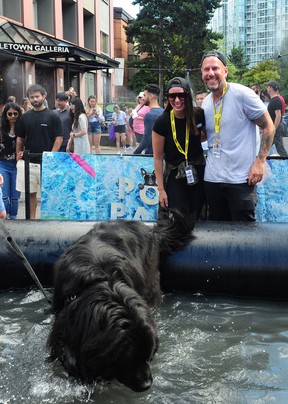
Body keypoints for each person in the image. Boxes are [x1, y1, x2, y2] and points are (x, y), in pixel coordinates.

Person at [201, 50, 275, 221]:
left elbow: (269, 127)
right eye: (206, 70)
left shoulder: (243, 94)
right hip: (212, 180)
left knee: (244, 239)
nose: (211, 73)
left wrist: (260, 162)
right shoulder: (205, 102)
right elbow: (208, 136)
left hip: (241, 181)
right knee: (218, 236)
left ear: (225, 71)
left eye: (215, 68)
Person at [152, 77, 206, 217]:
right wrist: (161, 190)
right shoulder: (162, 121)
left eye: (181, 95)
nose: (177, 100)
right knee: (178, 217)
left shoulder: (199, 115)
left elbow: (207, 135)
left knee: (197, 214)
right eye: (172, 96)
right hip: (174, 175)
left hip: (198, 172)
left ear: (188, 95)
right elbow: (158, 158)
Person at [16, 84, 63, 219]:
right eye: (32, 97)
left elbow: (58, 139)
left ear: (44, 96)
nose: (35, 99)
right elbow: (20, 139)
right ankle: (31, 222)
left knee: (49, 194)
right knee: (30, 195)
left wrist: (51, 157)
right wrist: (18, 157)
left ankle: (48, 222)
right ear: (28, 99)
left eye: (37, 96)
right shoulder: (24, 117)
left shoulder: (53, 116)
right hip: (29, 163)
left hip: (48, 163)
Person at [0, 102, 22, 219]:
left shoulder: (22, 127)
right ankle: (5, 218)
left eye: (15, 114)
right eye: (10, 114)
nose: (13, 116)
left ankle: (13, 218)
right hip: (2, 164)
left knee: (15, 196)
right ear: (6, 115)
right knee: (4, 194)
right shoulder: (1, 128)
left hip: (17, 165)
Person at [133, 84, 164, 155]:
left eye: (144, 95)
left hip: (151, 153)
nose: (143, 98)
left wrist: (136, 153)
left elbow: (147, 137)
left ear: (151, 97)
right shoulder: (163, 112)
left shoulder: (149, 115)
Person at [266, 81, 288, 157]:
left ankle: (285, 163)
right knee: (266, 146)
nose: (267, 88)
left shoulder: (276, 100)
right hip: (274, 126)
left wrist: (274, 128)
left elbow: (278, 116)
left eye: (268, 87)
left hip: (277, 126)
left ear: (271, 88)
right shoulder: (274, 99)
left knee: (280, 148)